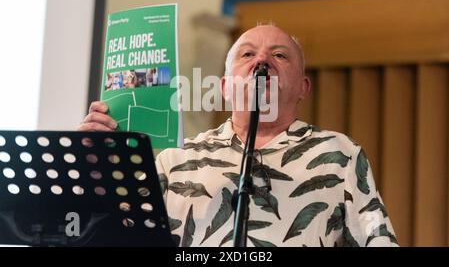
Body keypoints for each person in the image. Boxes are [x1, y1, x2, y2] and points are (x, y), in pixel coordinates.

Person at [79, 25, 398, 247]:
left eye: (280, 55)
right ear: (225, 87)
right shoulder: (177, 160)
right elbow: (113, 238)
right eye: (247, 55)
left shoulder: (339, 154)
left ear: (302, 87)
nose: (262, 60)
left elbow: (377, 239)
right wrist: (95, 170)